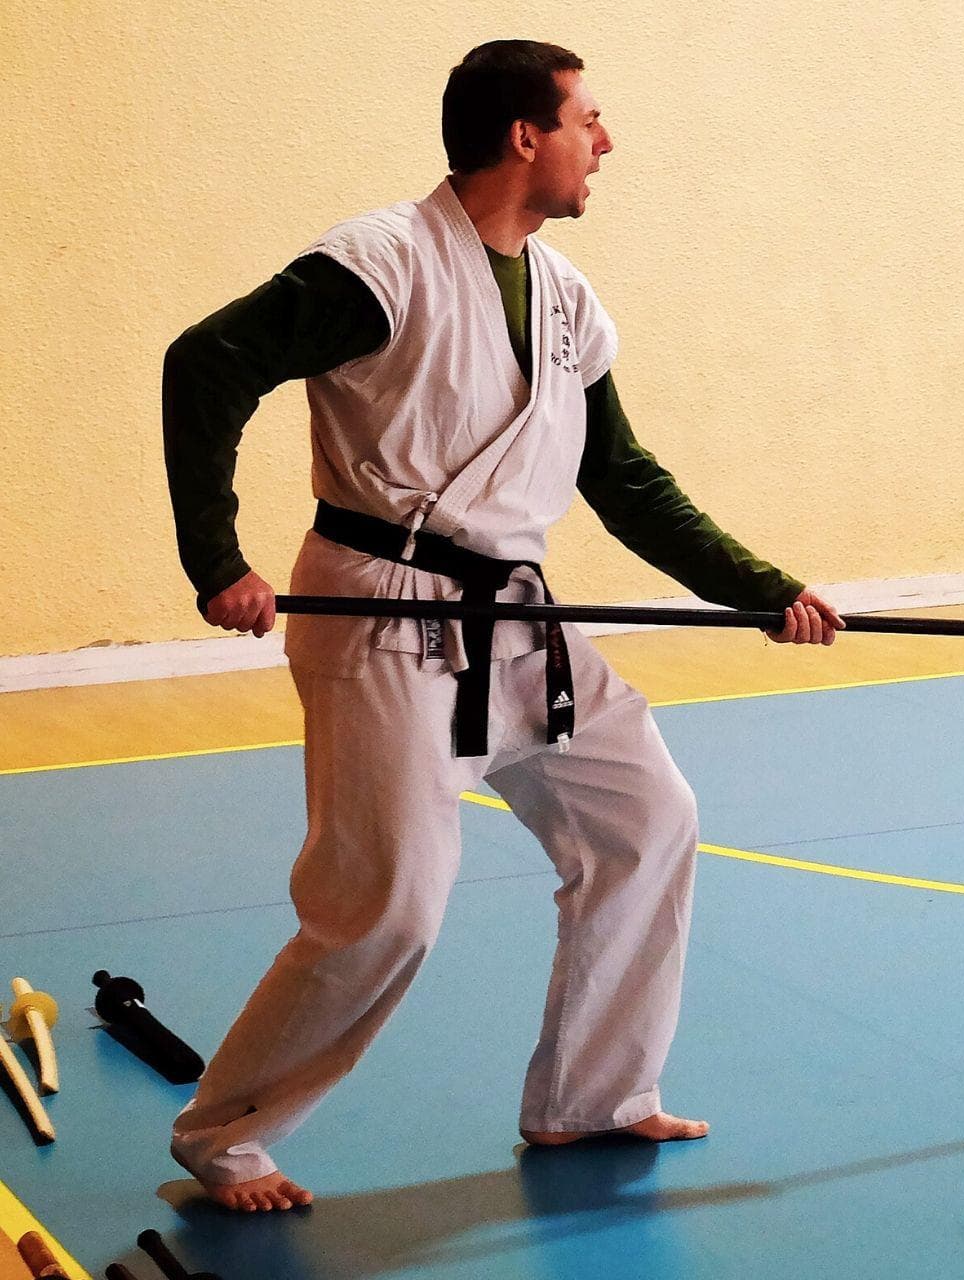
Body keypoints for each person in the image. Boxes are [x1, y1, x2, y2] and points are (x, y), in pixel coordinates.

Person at [160, 40, 842, 1213]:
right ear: (526, 135)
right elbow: (206, 362)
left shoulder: (565, 299)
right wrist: (217, 559)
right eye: (588, 119)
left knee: (646, 819)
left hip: (517, 616)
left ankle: (593, 1095)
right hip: (385, 614)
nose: (606, 142)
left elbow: (623, 477)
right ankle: (225, 1133)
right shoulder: (382, 262)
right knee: (386, 906)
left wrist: (758, 587)